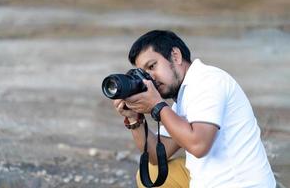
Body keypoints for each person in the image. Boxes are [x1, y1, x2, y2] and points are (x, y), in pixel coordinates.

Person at [112, 30, 276, 188]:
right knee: (150, 173)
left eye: (152, 66)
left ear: (175, 56)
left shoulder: (208, 81)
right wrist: (135, 119)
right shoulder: (184, 95)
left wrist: (157, 106)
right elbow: (155, 156)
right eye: (144, 73)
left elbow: (199, 145)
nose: (149, 78)